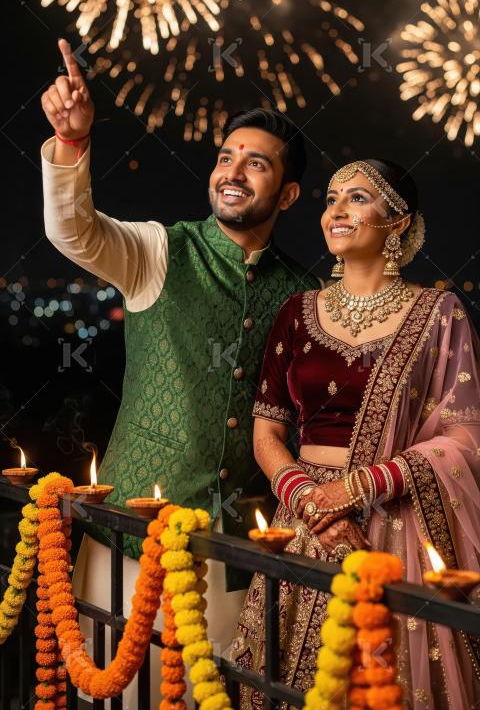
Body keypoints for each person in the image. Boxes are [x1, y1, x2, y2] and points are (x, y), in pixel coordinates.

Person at [39, 39, 319, 706]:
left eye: (256, 164)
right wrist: (72, 143)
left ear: (289, 192)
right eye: (226, 158)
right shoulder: (160, 251)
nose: (233, 172)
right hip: (127, 553)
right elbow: (73, 231)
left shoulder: (305, 295)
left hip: (235, 561)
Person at [228, 158, 480, 710]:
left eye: (358, 198)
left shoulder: (439, 313)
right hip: (306, 522)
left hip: (396, 527)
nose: (336, 211)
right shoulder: (297, 312)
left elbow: (463, 438)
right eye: (331, 198)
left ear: (397, 222)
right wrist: (308, 500)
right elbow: (267, 430)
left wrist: (359, 488)